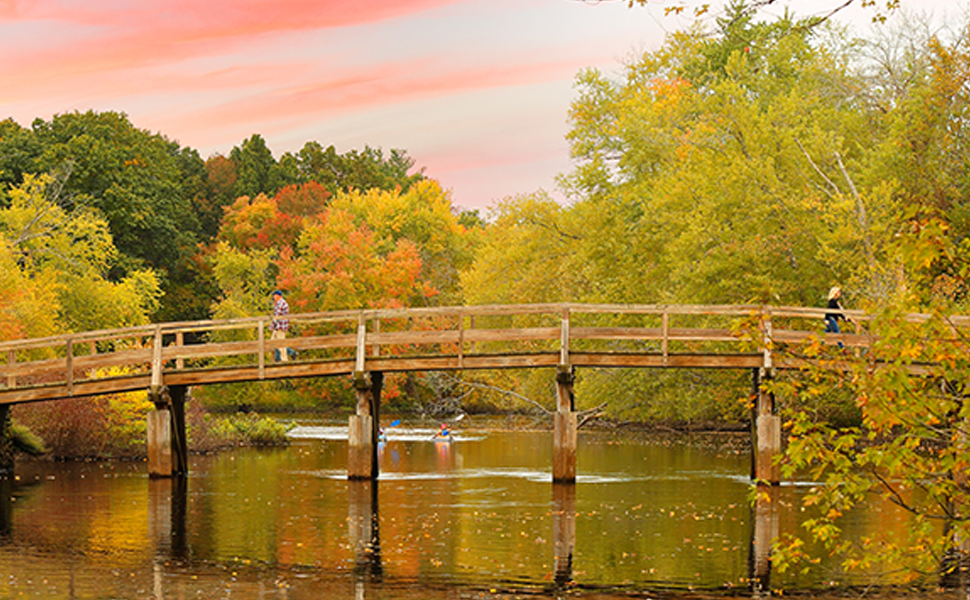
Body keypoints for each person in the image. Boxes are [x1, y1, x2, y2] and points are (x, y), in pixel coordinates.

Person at [270, 290, 296, 362]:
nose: (273, 297)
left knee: (281, 343)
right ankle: (288, 354)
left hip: (281, 326)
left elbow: (277, 316)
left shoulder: (281, 303)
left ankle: (284, 359)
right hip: (278, 326)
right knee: (272, 342)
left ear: (278, 295)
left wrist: (272, 326)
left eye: (274, 295)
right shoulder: (278, 303)